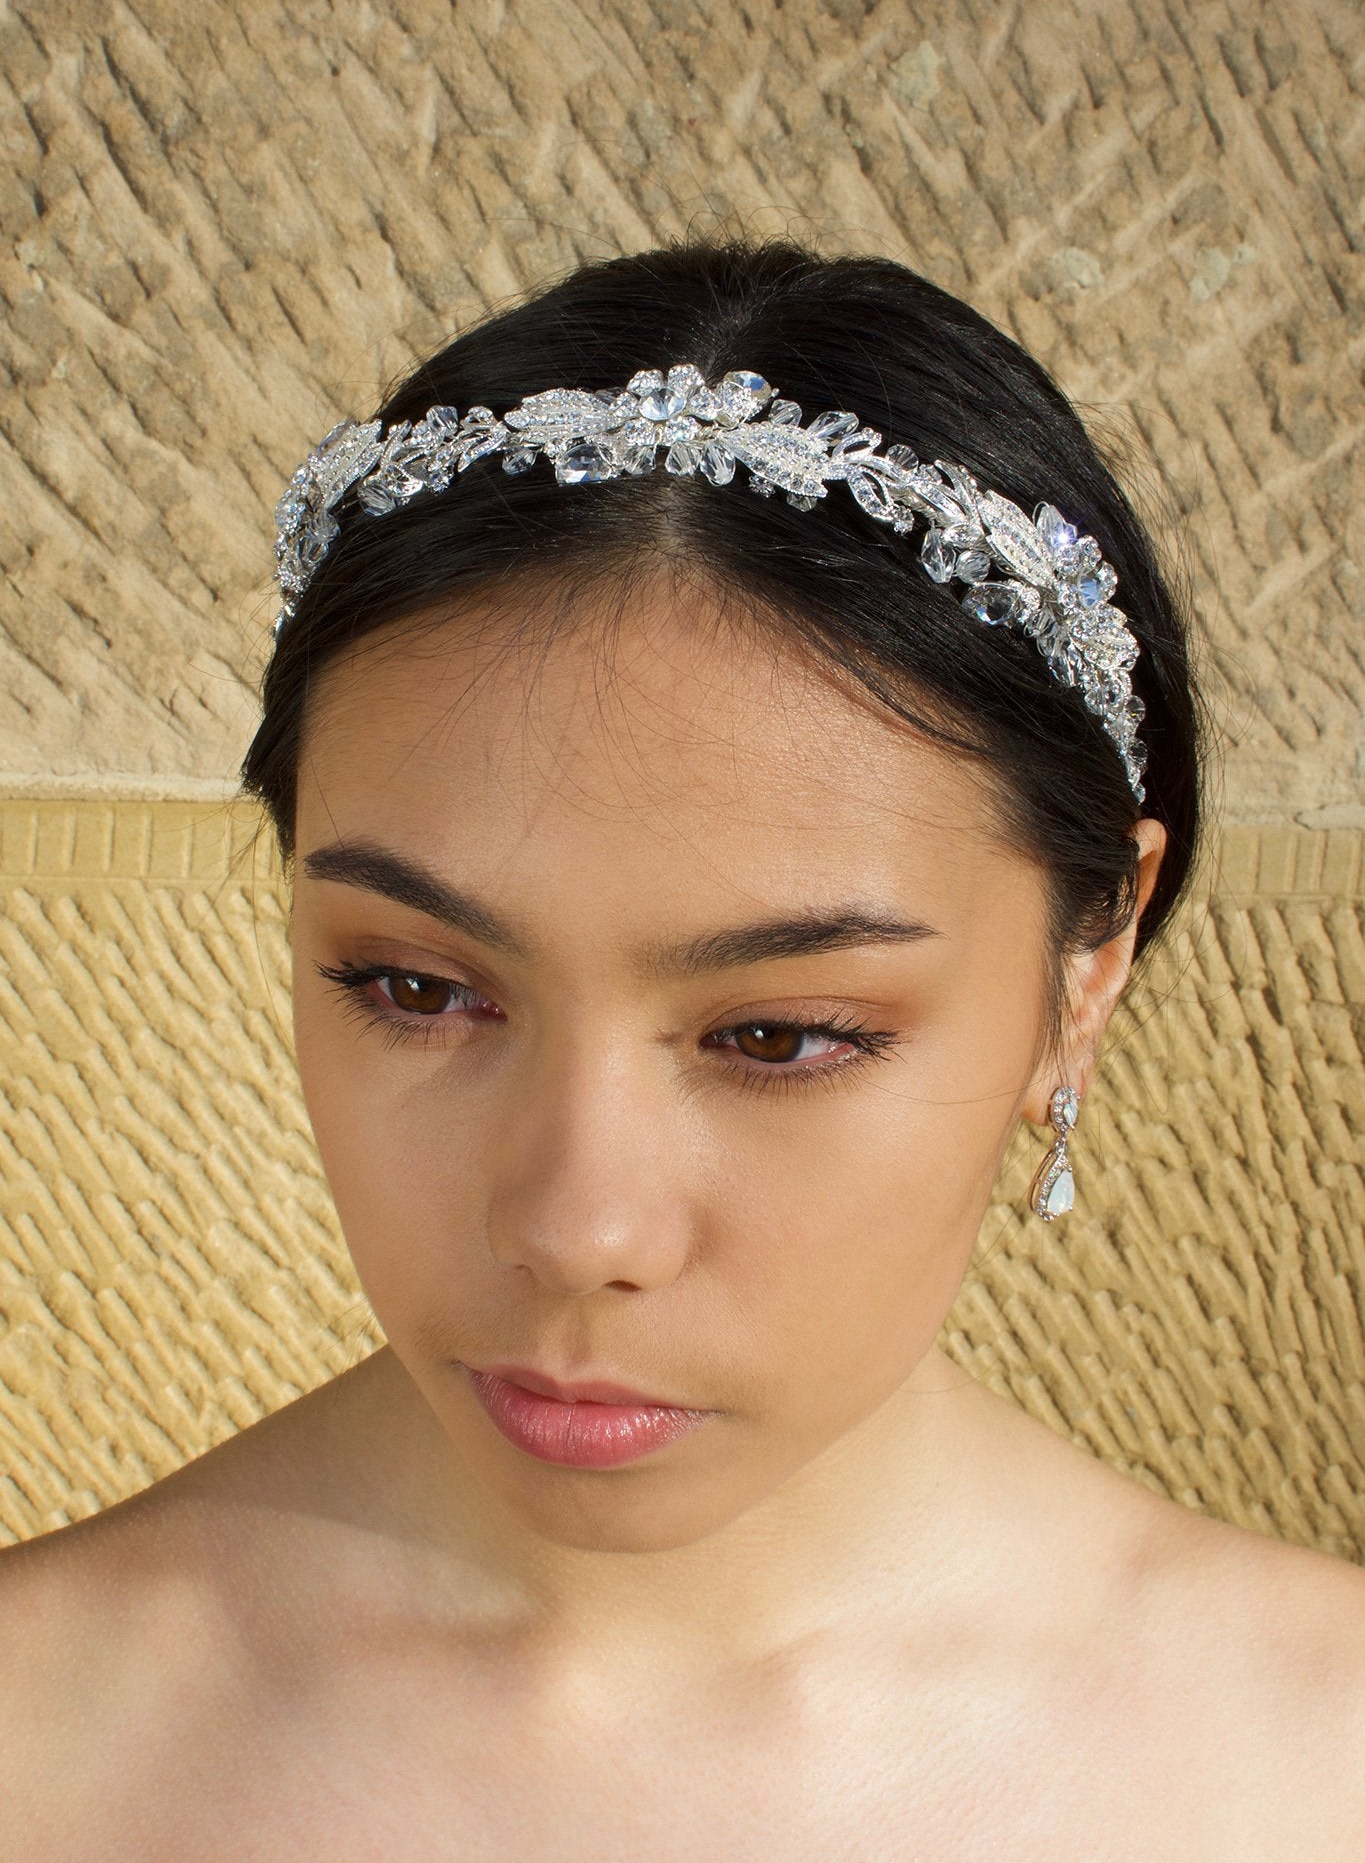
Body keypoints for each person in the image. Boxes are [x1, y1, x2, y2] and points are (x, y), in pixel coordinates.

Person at [2, 237, 1362, 1857]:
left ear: (1089, 965)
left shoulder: (1319, 1759)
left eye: (778, 1033)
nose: (578, 1227)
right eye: (415, 989)